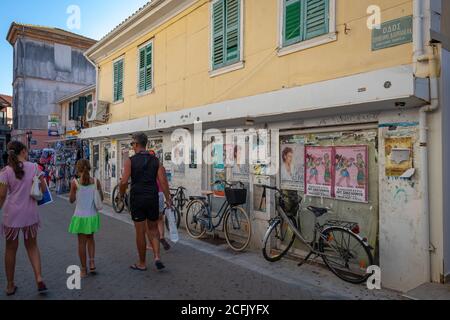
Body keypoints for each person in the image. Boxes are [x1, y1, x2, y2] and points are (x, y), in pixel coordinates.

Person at [0, 141, 48, 296]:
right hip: (30, 213)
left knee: (10, 249)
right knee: (32, 246)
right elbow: (44, 188)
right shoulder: (34, 167)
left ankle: (10, 285)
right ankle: (39, 278)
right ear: (23, 151)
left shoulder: (5, 172)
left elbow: (1, 195)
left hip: (12, 215)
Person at [120, 133, 171, 271]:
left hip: (137, 199)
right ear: (146, 144)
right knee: (153, 229)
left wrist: (120, 194)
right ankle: (157, 257)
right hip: (152, 198)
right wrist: (168, 199)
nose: (132, 146)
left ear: (136, 144)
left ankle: (142, 263)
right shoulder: (156, 161)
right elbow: (163, 181)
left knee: (140, 232)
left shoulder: (130, 161)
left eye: (132, 144)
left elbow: (124, 181)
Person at [68, 159, 103, 278]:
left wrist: (73, 192)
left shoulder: (75, 183)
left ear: (78, 169)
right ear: (89, 168)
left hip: (80, 217)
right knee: (91, 239)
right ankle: (92, 262)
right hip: (92, 216)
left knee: (81, 243)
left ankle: (83, 269)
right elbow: (101, 198)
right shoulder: (96, 181)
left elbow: (71, 200)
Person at [146, 150, 171, 252]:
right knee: (160, 219)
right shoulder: (160, 166)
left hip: (149, 195)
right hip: (160, 194)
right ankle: (161, 237)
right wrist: (168, 197)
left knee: (149, 222)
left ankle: (150, 244)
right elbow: (164, 182)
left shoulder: (145, 168)